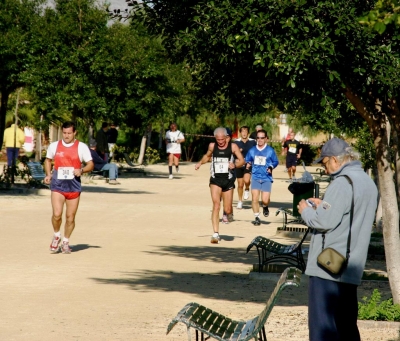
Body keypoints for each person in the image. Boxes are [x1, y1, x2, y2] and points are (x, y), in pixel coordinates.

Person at [297, 138, 378, 341]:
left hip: (328, 268)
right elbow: (347, 216)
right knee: (346, 329)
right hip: (351, 268)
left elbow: (323, 222)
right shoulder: (368, 183)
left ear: (334, 159)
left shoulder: (342, 183)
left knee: (323, 330)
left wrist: (306, 211)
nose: (325, 169)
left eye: (325, 163)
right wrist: (323, 204)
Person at [44, 121, 94, 254]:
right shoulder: (54, 146)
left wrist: (81, 170)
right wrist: (48, 175)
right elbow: (48, 160)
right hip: (58, 185)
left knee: (70, 217)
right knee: (57, 214)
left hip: (74, 185)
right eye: (64, 133)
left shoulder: (81, 147)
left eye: (69, 133)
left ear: (74, 133)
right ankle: (56, 236)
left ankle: (66, 241)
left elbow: (90, 164)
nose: (66, 136)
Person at [195, 127, 244, 243]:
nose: (220, 142)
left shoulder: (233, 147)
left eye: (222, 139)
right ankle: (215, 234)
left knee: (227, 209)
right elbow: (207, 156)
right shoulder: (212, 146)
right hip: (215, 180)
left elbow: (242, 160)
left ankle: (229, 213)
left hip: (228, 180)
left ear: (227, 137)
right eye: (218, 140)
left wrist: (235, 165)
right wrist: (200, 163)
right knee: (216, 205)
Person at [245, 129, 279, 226]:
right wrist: (248, 164)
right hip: (255, 176)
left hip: (266, 178)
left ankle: (265, 206)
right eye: (258, 138)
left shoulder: (270, 151)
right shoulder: (252, 150)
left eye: (262, 138)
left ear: (266, 139)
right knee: (254, 198)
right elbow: (248, 160)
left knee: (265, 200)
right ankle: (257, 217)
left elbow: (275, 162)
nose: (260, 140)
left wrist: (271, 167)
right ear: (256, 139)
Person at [234, 126, 256, 209]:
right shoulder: (236, 142)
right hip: (239, 165)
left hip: (248, 164)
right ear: (240, 133)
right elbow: (232, 152)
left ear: (248, 133)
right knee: (240, 185)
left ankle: (247, 189)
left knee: (247, 180)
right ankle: (240, 201)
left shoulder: (253, 142)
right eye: (242, 131)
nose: (244, 133)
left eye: (245, 131)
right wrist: (237, 153)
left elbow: (256, 151)